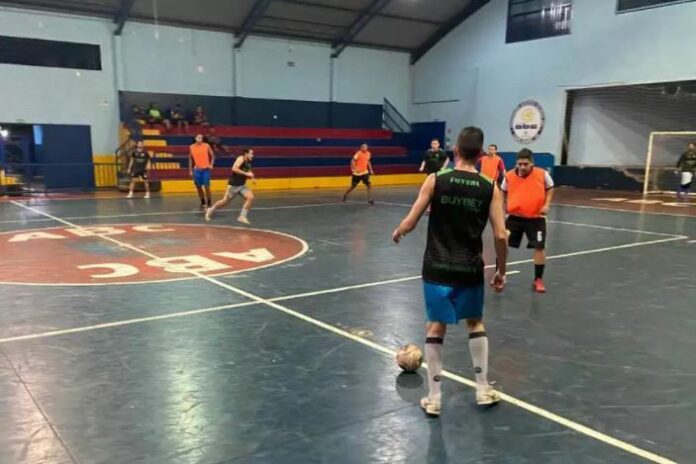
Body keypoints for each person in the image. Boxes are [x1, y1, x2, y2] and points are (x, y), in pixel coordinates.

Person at [392, 126, 508, 417]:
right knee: (475, 323)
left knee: (435, 327)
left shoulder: (436, 179)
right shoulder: (490, 187)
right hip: (469, 267)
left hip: (437, 266)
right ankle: (482, 390)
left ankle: (434, 398)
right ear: (481, 155)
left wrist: (399, 231)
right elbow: (501, 235)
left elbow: (411, 220)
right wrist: (501, 271)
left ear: (455, 150)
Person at [501, 149, 554, 293]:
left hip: (536, 218)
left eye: (526, 164)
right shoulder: (509, 176)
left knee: (539, 247)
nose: (522, 167)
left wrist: (547, 204)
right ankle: (500, 275)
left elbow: (550, 188)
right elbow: (502, 192)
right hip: (514, 217)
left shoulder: (542, 174)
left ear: (532, 163)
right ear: (516, 163)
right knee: (502, 243)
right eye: (520, 164)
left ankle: (538, 279)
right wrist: (502, 208)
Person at [206, 148, 255, 224]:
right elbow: (234, 168)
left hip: (242, 185)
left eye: (252, 154)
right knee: (224, 202)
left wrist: (252, 177)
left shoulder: (248, 161)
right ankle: (211, 209)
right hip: (233, 185)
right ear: (246, 154)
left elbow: (247, 170)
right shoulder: (240, 159)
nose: (252, 155)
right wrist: (246, 174)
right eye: (251, 153)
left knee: (250, 197)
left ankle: (242, 216)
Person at [189, 134, 215, 211]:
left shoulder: (206, 146)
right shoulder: (191, 147)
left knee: (207, 186)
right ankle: (203, 202)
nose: (200, 139)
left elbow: (213, 156)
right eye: (199, 137)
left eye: (201, 138)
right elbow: (190, 159)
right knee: (198, 187)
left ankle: (209, 203)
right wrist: (190, 170)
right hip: (197, 170)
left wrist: (211, 164)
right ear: (195, 138)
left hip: (206, 169)